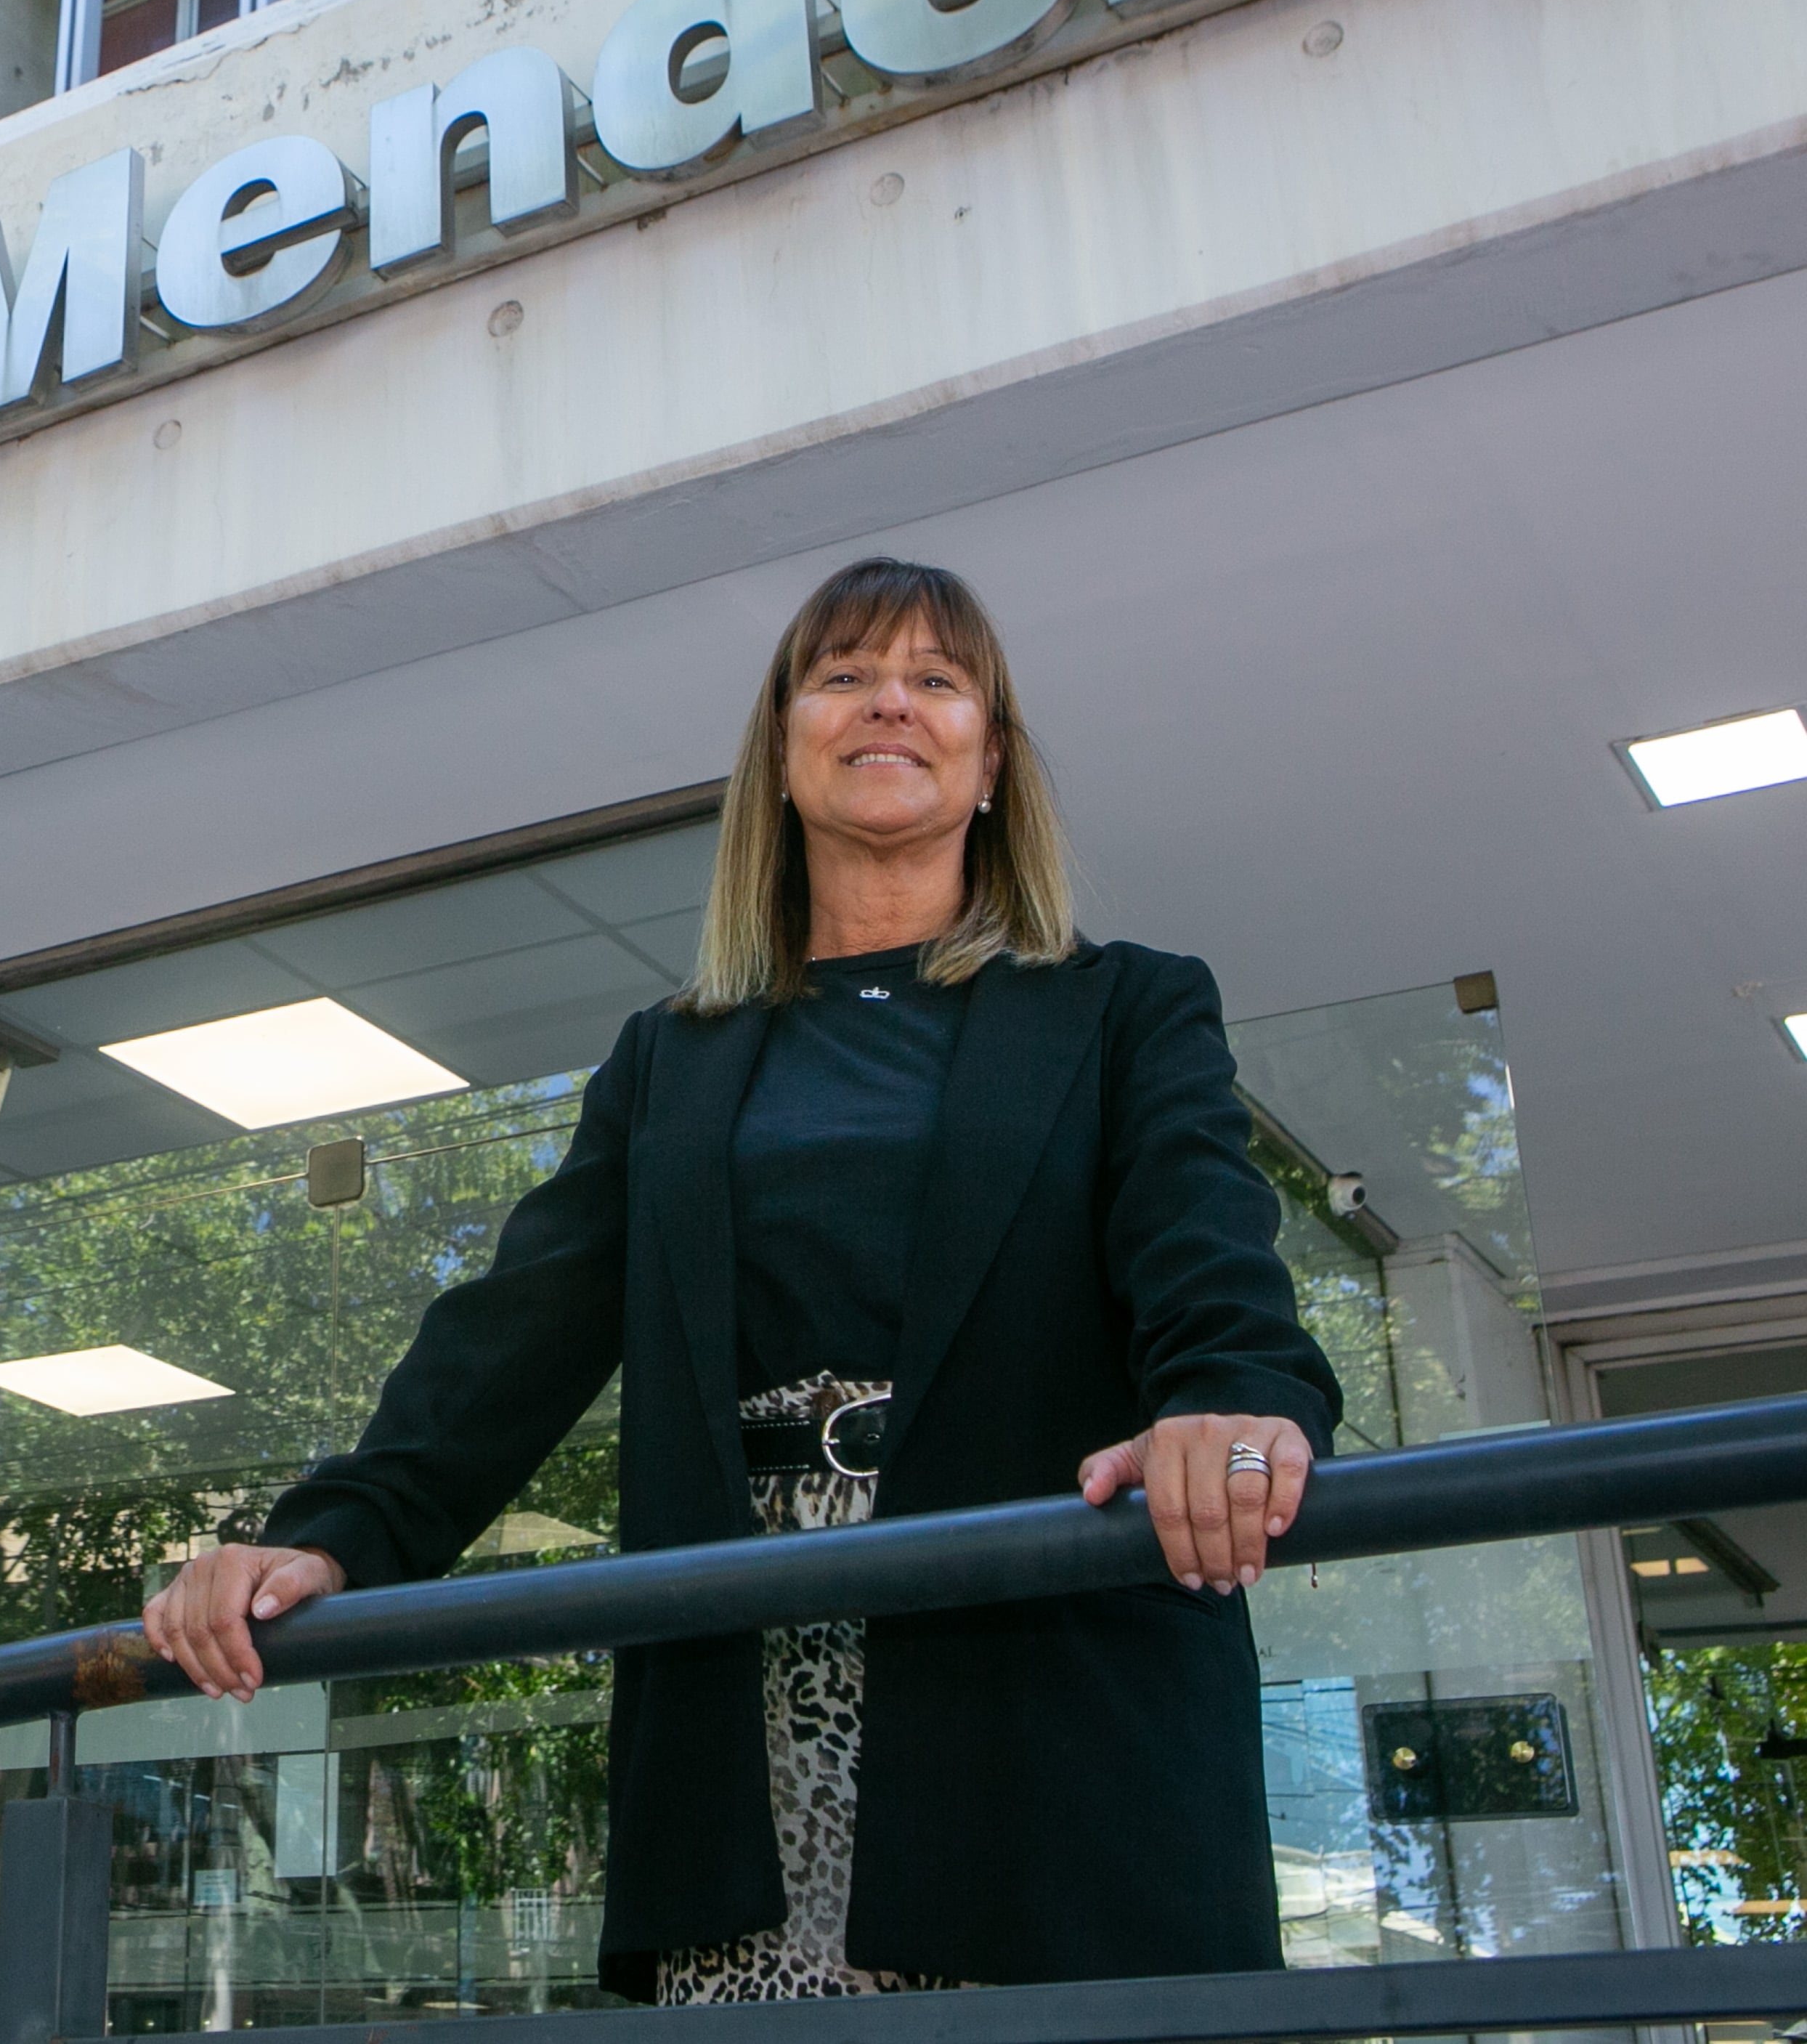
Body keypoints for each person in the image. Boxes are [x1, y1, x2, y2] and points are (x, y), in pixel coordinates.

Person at [141, 556, 1341, 1999]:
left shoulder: (1126, 1006)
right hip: (740, 1682)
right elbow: (511, 1336)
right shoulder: (673, 1056)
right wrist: (333, 1535)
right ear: (781, 749)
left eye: (936, 678)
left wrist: (1225, 1398)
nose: (888, 698)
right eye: (840, 673)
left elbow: (1201, 1242)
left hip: (1036, 1665)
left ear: (990, 760)